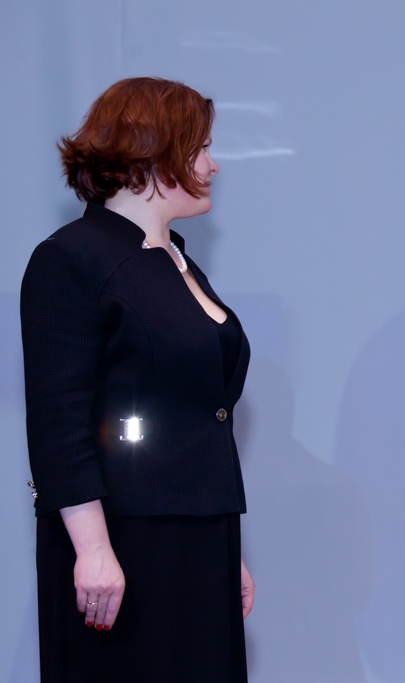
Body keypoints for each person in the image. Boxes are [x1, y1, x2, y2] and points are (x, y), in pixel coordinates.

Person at [21, 77, 254, 683]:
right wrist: (94, 550)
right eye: (201, 148)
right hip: (124, 542)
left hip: (200, 537)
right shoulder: (72, 257)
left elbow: (199, 414)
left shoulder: (176, 260)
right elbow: (59, 421)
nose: (213, 166)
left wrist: (226, 549)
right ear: (155, 153)